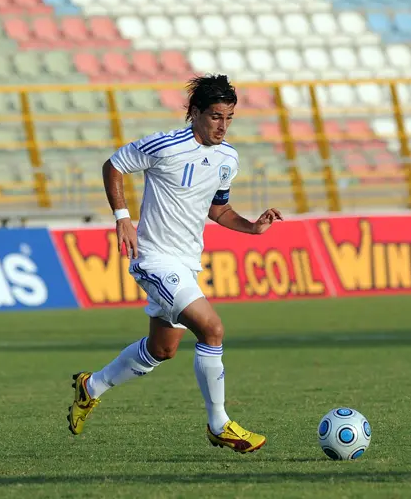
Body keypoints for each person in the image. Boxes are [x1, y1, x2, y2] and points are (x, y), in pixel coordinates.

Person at [67, 74, 283, 453]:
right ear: (195, 113)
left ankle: (92, 386)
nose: (223, 125)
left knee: (161, 350)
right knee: (212, 330)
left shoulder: (227, 158)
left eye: (229, 118)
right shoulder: (166, 144)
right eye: (216, 116)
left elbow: (219, 208)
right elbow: (113, 165)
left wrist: (252, 227)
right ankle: (220, 424)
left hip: (185, 264)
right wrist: (122, 217)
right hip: (153, 259)